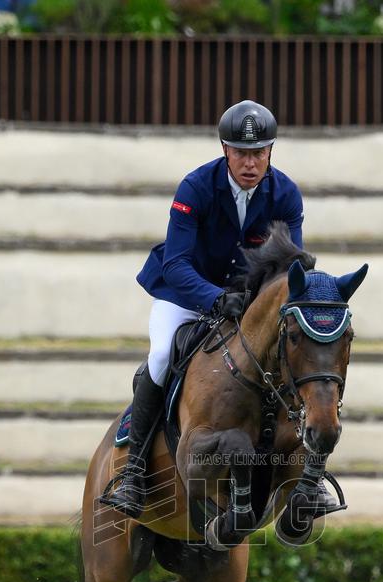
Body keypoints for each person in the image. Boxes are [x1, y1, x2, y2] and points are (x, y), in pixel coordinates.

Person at [104, 99, 304, 518]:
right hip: (186, 295)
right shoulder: (195, 188)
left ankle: (308, 478)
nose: (250, 163)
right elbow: (176, 263)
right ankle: (134, 470)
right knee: (160, 356)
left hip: (246, 303)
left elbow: (289, 266)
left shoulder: (285, 194)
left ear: (270, 152)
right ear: (225, 150)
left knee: (292, 357)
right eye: (241, 153)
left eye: (259, 153)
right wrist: (214, 298)